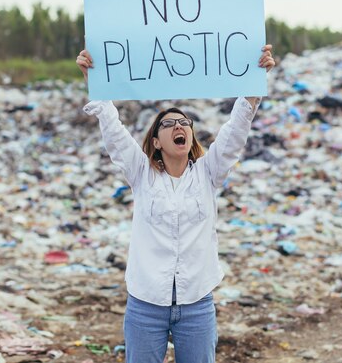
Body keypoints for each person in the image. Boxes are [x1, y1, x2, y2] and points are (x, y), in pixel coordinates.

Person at [76, 44, 275, 363]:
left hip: (197, 303)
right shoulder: (141, 174)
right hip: (145, 304)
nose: (178, 127)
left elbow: (235, 132)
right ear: (156, 142)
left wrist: (253, 83)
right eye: (168, 125)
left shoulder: (209, 173)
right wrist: (96, 83)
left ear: (191, 136)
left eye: (184, 123)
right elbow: (114, 133)